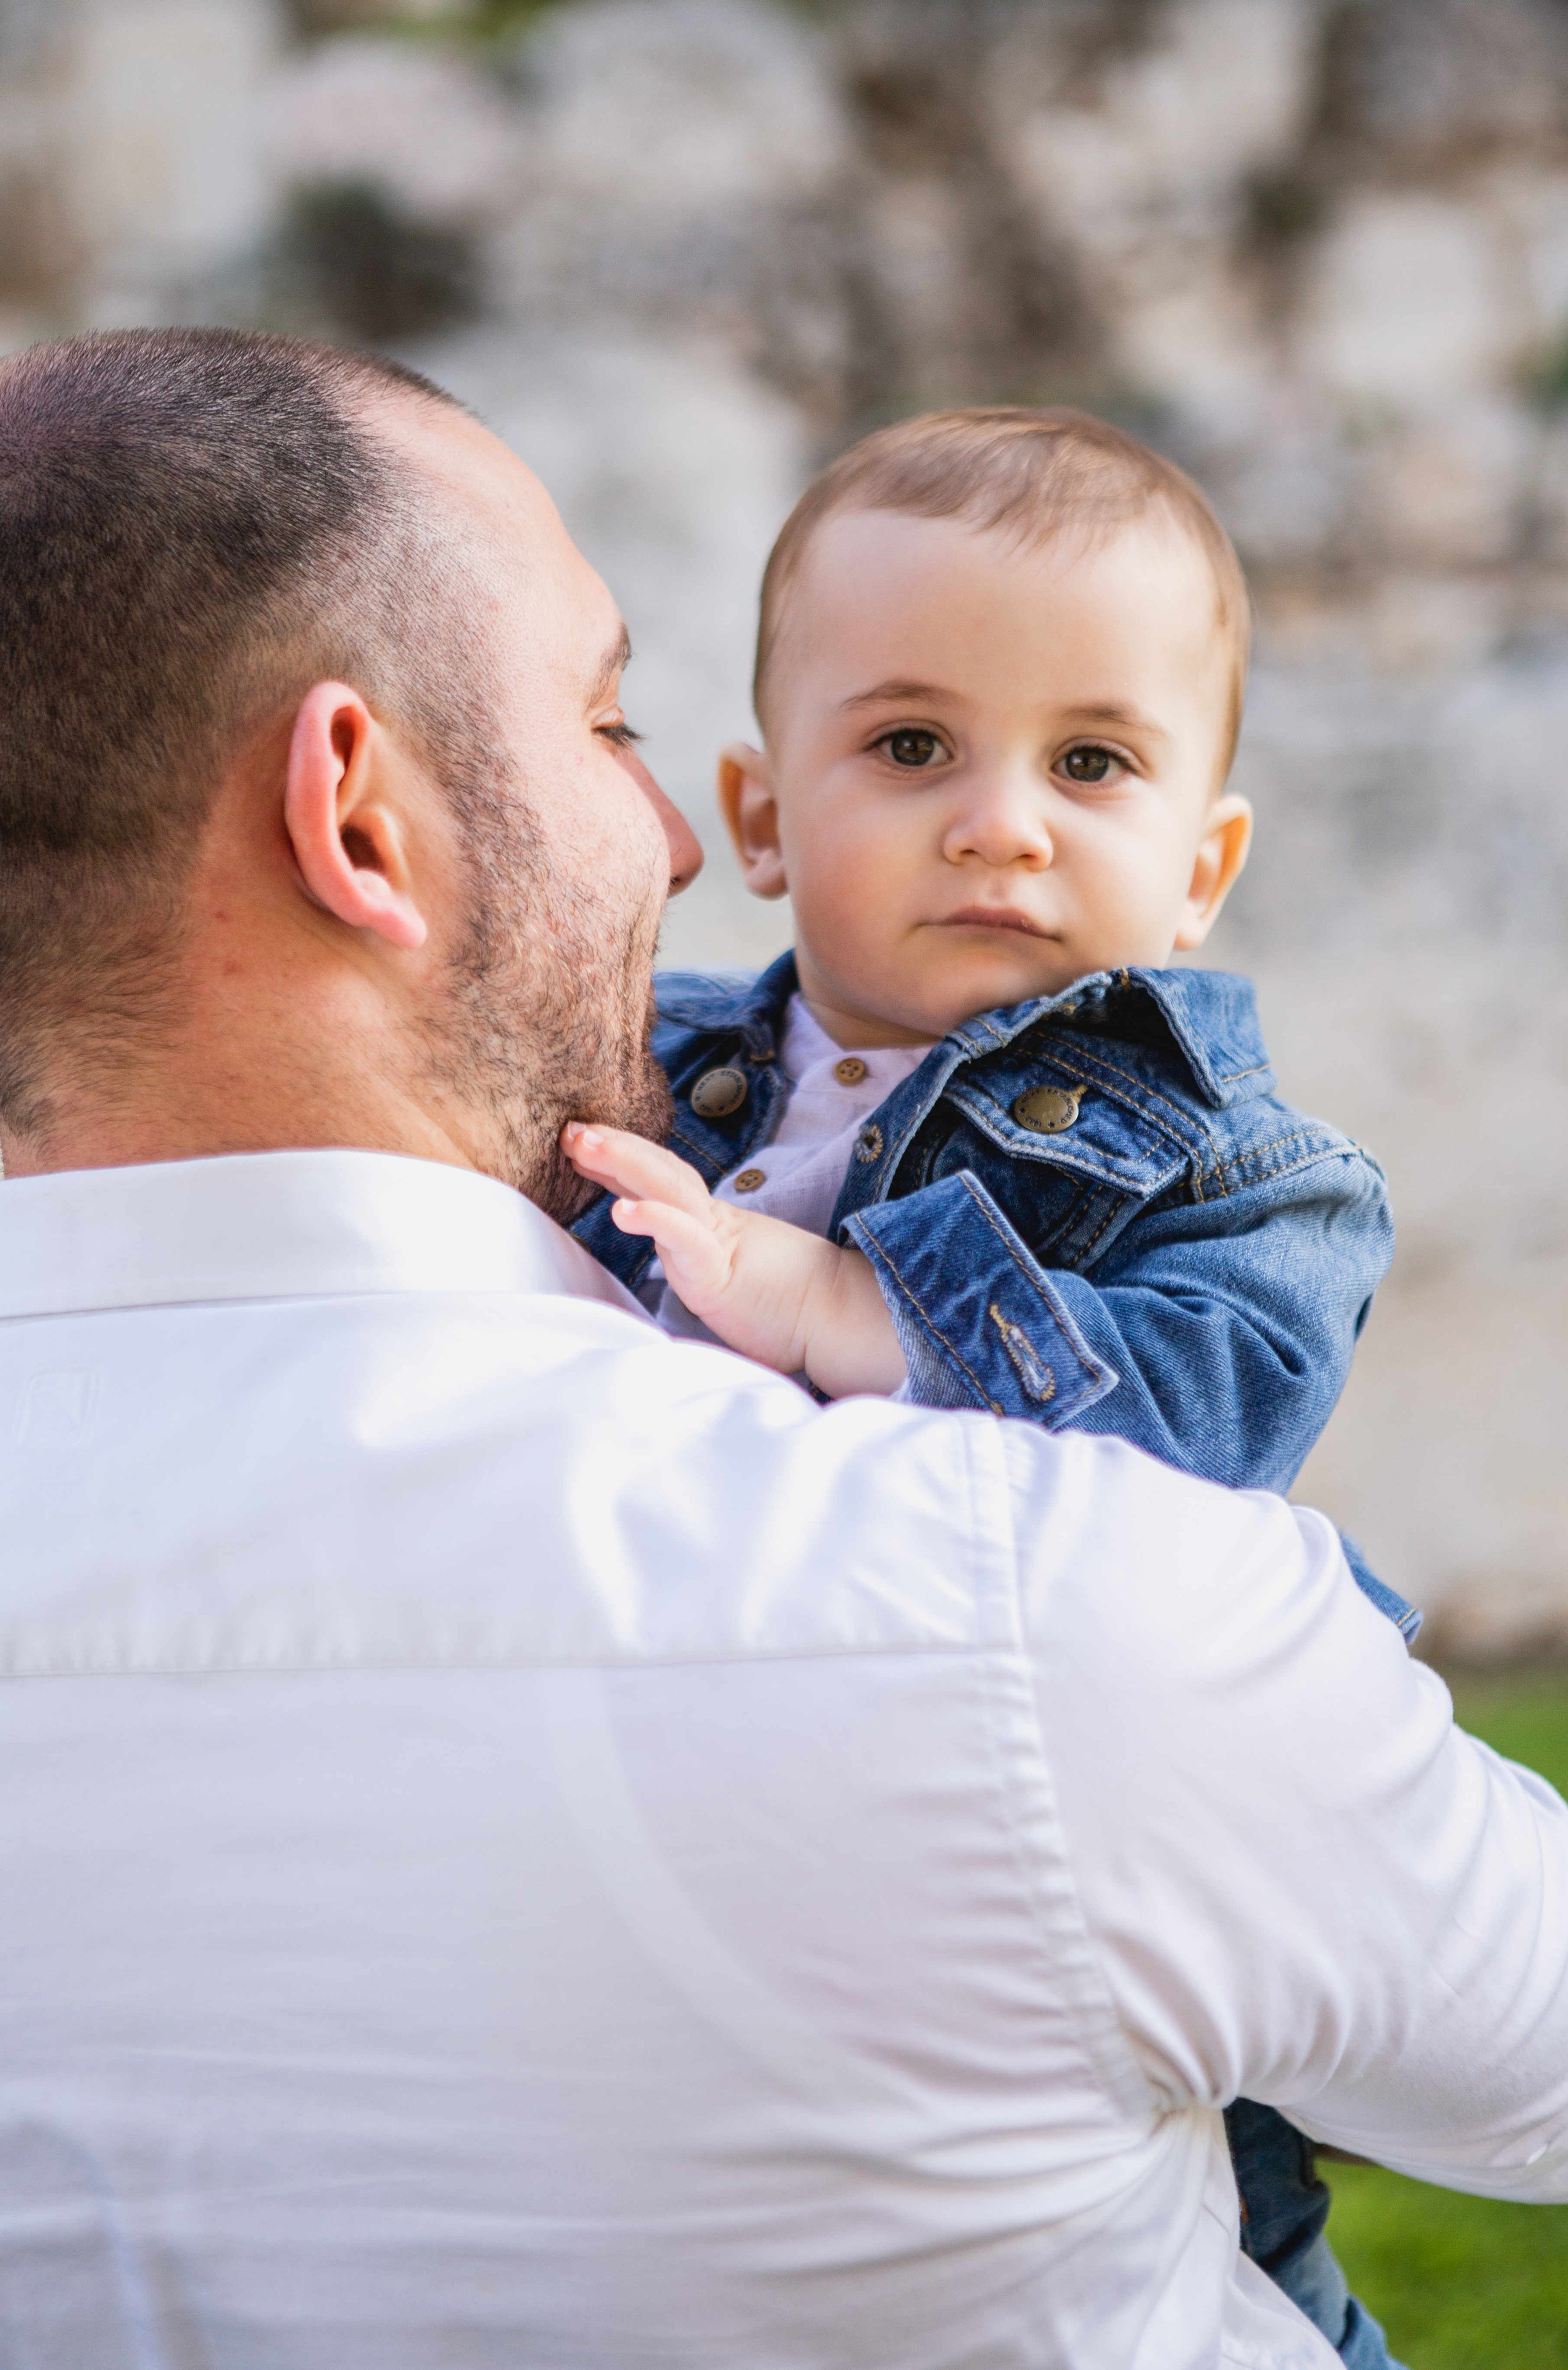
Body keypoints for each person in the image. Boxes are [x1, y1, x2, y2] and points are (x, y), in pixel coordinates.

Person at [0, 329, 1568, 2370]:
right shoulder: (1052, 1609)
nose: (665, 837)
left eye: (1091, 764)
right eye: (607, 722)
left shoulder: (1204, 1189)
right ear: (361, 822)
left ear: (1203, 859)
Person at [565, 409, 1410, 2358]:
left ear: (1200, 866)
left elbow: (1190, 1441)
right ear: (761, 818)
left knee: (1222, 2262)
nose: (1003, 822)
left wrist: (857, 1312)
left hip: (1056, 1853)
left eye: (1090, 763)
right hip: (703, 1809)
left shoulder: (1253, 1182)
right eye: (911, 748)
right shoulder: (627, 1070)